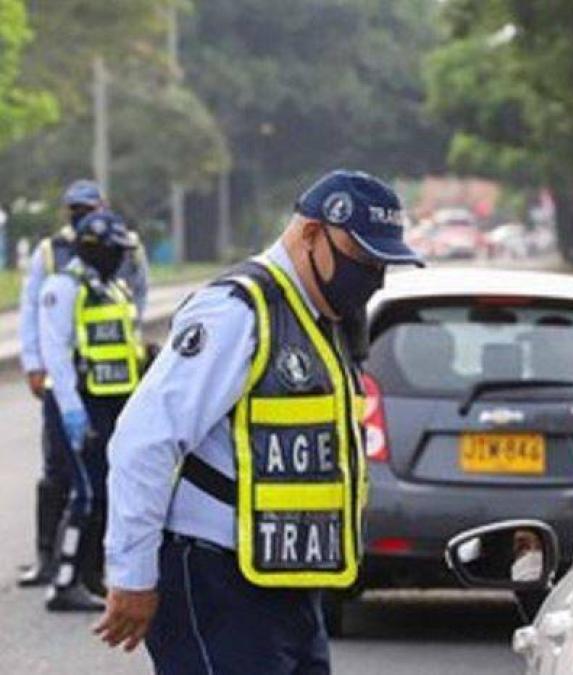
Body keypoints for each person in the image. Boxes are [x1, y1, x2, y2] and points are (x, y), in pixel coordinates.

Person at [93, 170, 423, 671]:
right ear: (311, 233)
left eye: (383, 264)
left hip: (285, 583)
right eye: (363, 259)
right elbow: (145, 441)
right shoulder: (238, 311)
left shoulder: (324, 320)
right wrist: (132, 574)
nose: (373, 275)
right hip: (213, 580)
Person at [17, 180, 148, 588]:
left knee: (101, 490)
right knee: (73, 485)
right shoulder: (58, 270)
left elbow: (134, 314)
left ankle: (87, 573)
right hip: (77, 399)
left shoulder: (115, 276)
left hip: (110, 400)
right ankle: (59, 571)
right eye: (74, 208)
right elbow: (43, 326)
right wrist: (39, 369)